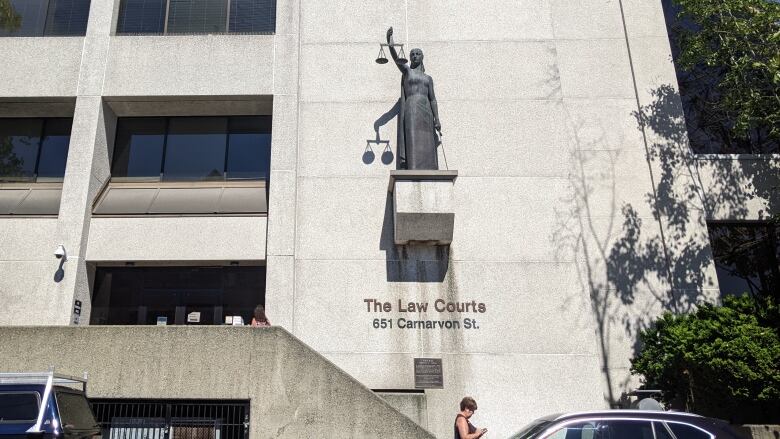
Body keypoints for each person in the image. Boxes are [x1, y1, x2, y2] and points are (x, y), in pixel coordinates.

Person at [386, 27, 441, 170]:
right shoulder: (407, 72)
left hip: (426, 110)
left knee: (428, 139)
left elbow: (433, 99)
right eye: (413, 54)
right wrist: (390, 42)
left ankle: (429, 167)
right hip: (411, 107)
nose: (415, 56)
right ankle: (413, 166)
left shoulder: (428, 78)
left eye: (418, 54)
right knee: (413, 137)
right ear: (410, 58)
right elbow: (397, 59)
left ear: (422, 57)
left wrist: (437, 118)